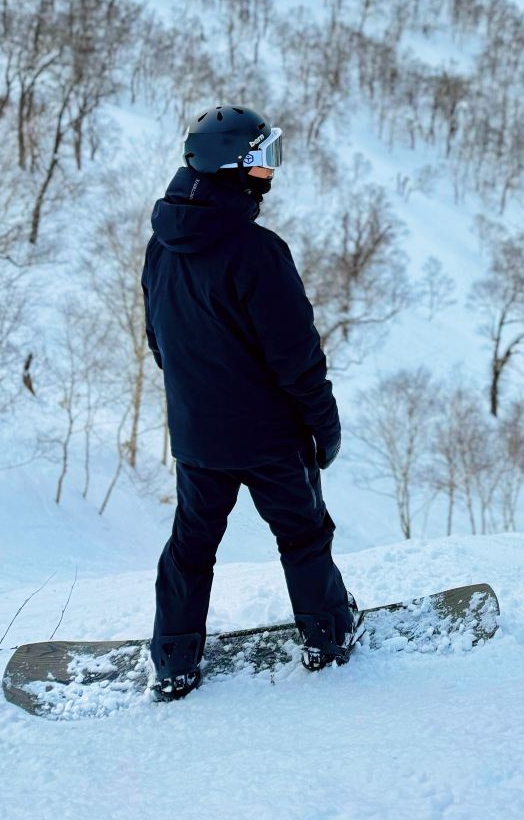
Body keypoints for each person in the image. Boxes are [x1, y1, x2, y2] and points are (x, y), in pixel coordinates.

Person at [142, 104, 357, 702]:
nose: (271, 171)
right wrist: (324, 425)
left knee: (190, 548)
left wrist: (202, 400)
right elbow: (297, 356)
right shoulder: (258, 251)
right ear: (231, 167)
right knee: (304, 534)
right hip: (269, 439)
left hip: (197, 438)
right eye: (263, 159)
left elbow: (160, 343)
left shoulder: (161, 248)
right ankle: (328, 637)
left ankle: (175, 660)